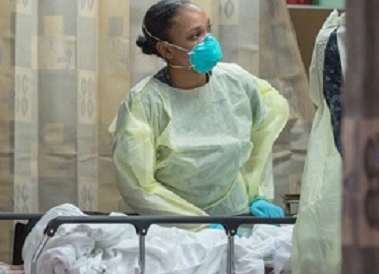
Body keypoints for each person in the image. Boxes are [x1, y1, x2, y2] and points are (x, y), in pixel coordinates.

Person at [109, 0, 289, 222]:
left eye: (208, 29)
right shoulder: (144, 103)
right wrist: (195, 225)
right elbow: (138, 186)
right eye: (195, 36)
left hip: (238, 218)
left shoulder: (237, 81)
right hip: (170, 229)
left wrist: (258, 194)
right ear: (166, 49)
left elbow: (262, 136)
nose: (209, 40)